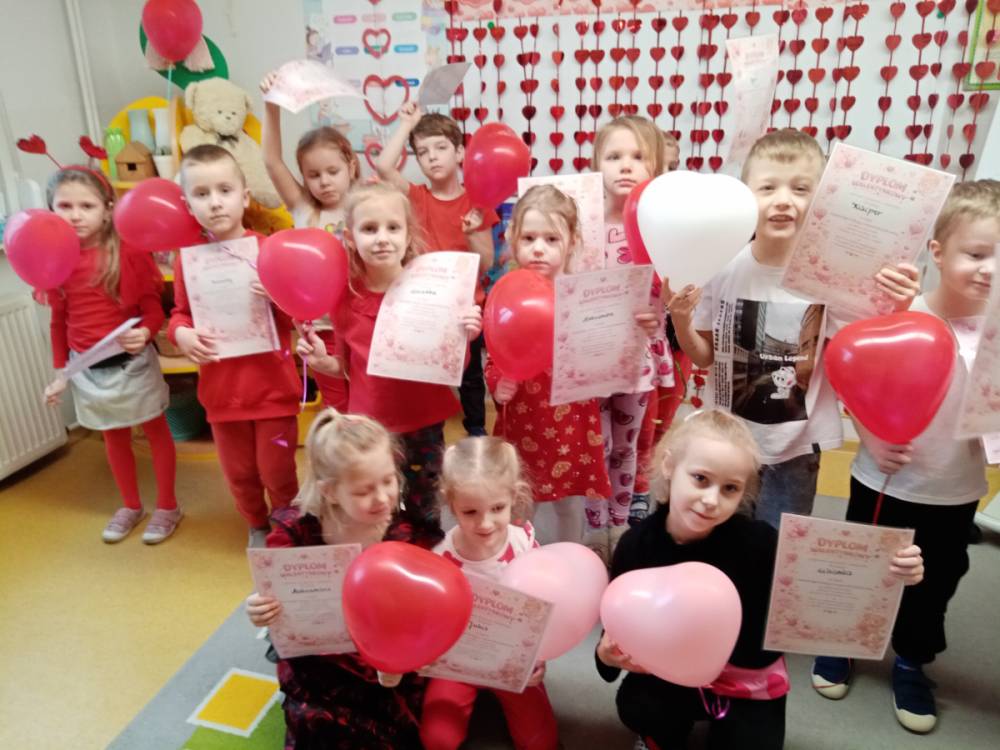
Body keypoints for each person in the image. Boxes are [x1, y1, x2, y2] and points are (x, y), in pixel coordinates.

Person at [596, 409, 925, 749]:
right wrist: (607, 657)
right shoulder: (636, 547)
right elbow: (617, 631)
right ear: (669, 466)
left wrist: (888, 575)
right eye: (700, 479)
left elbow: (823, 589)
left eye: (730, 488)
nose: (711, 501)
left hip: (744, 676)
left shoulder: (761, 543)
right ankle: (662, 734)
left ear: (744, 492)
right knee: (640, 708)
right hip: (671, 674)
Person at [811, 179, 1000, 733]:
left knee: (935, 582)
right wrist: (870, 438)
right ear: (937, 252)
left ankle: (913, 661)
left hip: (956, 489)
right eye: (977, 253)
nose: (990, 269)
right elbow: (850, 374)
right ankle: (841, 642)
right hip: (882, 479)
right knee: (860, 565)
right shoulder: (901, 312)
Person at [669, 129, 921, 528]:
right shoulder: (723, 267)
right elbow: (704, 356)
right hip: (729, 441)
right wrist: (682, 321)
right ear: (745, 196)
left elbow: (855, 361)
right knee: (725, 536)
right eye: (768, 187)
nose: (784, 200)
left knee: (781, 541)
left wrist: (898, 305)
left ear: (821, 199)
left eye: (801, 189)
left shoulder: (832, 277)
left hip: (798, 448)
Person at [296, 182, 481, 540]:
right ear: (350, 238)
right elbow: (344, 368)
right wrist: (320, 361)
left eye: (393, 227)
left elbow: (452, 366)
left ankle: (424, 551)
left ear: (408, 234)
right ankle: (383, 555)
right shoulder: (345, 297)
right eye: (369, 229)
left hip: (423, 419)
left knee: (425, 501)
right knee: (377, 503)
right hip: (372, 427)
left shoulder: (435, 290)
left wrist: (467, 337)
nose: (382, 238)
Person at [246, 409, 427, 749]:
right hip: (319, 658)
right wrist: (259, 608)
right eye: (363, 491)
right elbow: (275, 595)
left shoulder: (404, 533)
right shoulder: (295, 532)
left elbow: (419, 610)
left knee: (388, 728)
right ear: (329, 491)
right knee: (313, 722)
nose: (382, 497)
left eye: (388, 480)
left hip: (382, 656)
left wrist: (401, 661)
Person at [169, 144, 301, 547]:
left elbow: (295, 315)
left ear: (244, 197)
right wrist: (181, 334)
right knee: (240, 473)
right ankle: (257, 524)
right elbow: (180, 313)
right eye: (202, 193)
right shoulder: (187, 261)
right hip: (222, 397)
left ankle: (288, 526)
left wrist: (278, 296)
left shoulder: (268, 251)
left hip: (273, 392)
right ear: (188, 204)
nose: (215, 202)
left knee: (277, 470)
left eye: (224, 190)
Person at [41, 166, 180, 544]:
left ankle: (168, 506)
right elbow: (58, 322)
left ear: (106, 209)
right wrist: (60, 375)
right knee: (114, 438)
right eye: (64, 206)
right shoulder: (54, 260)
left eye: (86, 206)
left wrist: (146, 332)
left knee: (155, 431)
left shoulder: (127, 252)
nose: (75, 215)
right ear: (51, 210)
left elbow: (153, 310)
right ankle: (131, 505)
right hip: (88, 369)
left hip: (132, 366)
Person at [486, 185, 618, 549]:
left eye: (551, 239)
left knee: (569, 501)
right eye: (529, 238)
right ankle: (518, 556)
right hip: (523, 416)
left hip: (571, 420)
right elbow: (495, 349)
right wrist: (497, 382)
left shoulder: (583, 295)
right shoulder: (506, 290)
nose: (538, 248)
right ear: (513, 239)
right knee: (521, 498)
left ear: (572, 242)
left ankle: (570, 554)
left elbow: (601, 350)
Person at [420, 436, 559, 750]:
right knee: (437, 739)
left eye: (497, 508)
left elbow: (542, 608)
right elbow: (431, 619)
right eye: (470, 512)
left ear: (514, 496)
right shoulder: (441, 557)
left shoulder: (524, 542)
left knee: (541, 743)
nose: (485, 524)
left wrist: (539, 658)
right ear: (450, 504)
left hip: (510, 664)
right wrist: (430, 655)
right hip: (458, 664)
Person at [375, 103, 499, 437]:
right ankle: (430, 438)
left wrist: (473, 233)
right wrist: (406, 123)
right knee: (427, 376)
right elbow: (384, 166)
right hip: (426, 306)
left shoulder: (477, 202)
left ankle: (476, 431)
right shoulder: (415, 196)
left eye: (441, 148)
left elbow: (487, 263)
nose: (432, 157)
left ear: (459, 153)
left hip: (467, 308)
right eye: (422, 152)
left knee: (470, 377)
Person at [591, 116, 673, 551]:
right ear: (596, 164)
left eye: (638, 157)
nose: (625, 166)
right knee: (594, 446)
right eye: (614, 156)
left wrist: (659, 311)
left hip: (636, 359)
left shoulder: (661, 229)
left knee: (625, 447)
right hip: (587, 359)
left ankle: (619, 527)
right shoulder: (580, 226)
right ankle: (593, 527)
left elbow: (673, 286)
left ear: (655, 166)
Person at [259, 72, 361, 411]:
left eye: (333, 171)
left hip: (359, 323)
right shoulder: (303, 207)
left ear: (351, 166)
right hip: (321, 329)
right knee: (337, 405)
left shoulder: (363, 206)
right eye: (313, 175)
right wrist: (271, 105)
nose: (324, 182)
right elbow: (272, 161)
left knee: (365, 402)